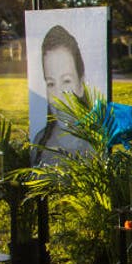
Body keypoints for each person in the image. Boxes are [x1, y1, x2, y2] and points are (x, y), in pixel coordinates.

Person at [33, 25, 92, 165]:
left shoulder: (97, 142)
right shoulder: (40, 141)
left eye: (66, 81)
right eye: (51, 84)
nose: (58, 96)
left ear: (81, 85)